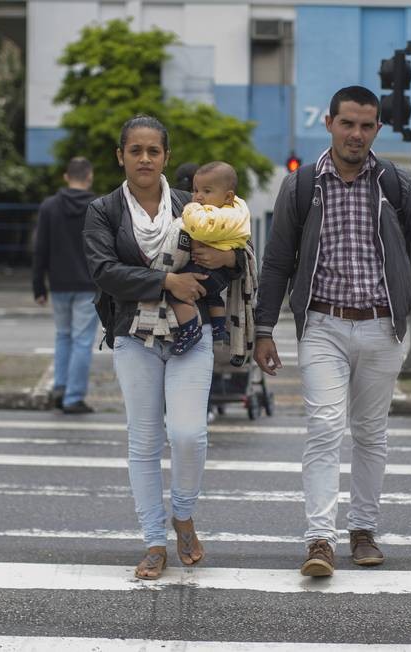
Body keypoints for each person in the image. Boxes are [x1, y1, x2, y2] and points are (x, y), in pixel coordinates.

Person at [254, 85, 411, 577]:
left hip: (382, 326)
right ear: (330, 123)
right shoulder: (302, 185)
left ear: (377, 129)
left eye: (365, 125)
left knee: (371, 434)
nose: (355, 134)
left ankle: (362, 531)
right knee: (325, 428)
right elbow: (276, 263)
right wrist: (263, 327)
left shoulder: (395, 185)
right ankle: (319, 539)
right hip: (322, 326)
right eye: (347, 123)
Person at [83, 115, 246, 580]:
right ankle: (154, 541)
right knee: (144, 441)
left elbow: (236, 249)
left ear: (166, 157)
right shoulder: (103, 211)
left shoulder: (191, 203)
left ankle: (183, 513)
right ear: (121, 156)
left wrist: (229, 257)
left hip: (188, 338)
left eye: (154, 150)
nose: (145, 158)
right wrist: (165, 280)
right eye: (135, 150)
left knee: (189, 434)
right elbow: (103, 271)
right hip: (133, 334)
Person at [135, 161, 251, 354]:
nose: (197, 196)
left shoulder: (210, 214)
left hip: (205, 270)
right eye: (196, 190)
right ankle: (219, 328)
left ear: (228, 196)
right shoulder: (237, 213)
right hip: (219, 275)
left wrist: (227, 257)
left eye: (205, 191)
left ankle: (190, 329)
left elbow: (199, 230)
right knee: (213, 296)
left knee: (176, 291)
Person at [32, 156, 99, 414]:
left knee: (63, 336)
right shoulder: (97, 206)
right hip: (88, 284)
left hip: (58, 283)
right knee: (82, 341)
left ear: (65, 176)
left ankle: (60, 387)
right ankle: (73, 397)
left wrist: (39, 286)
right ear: (89, 176)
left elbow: (40, 249)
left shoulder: (49, 207)